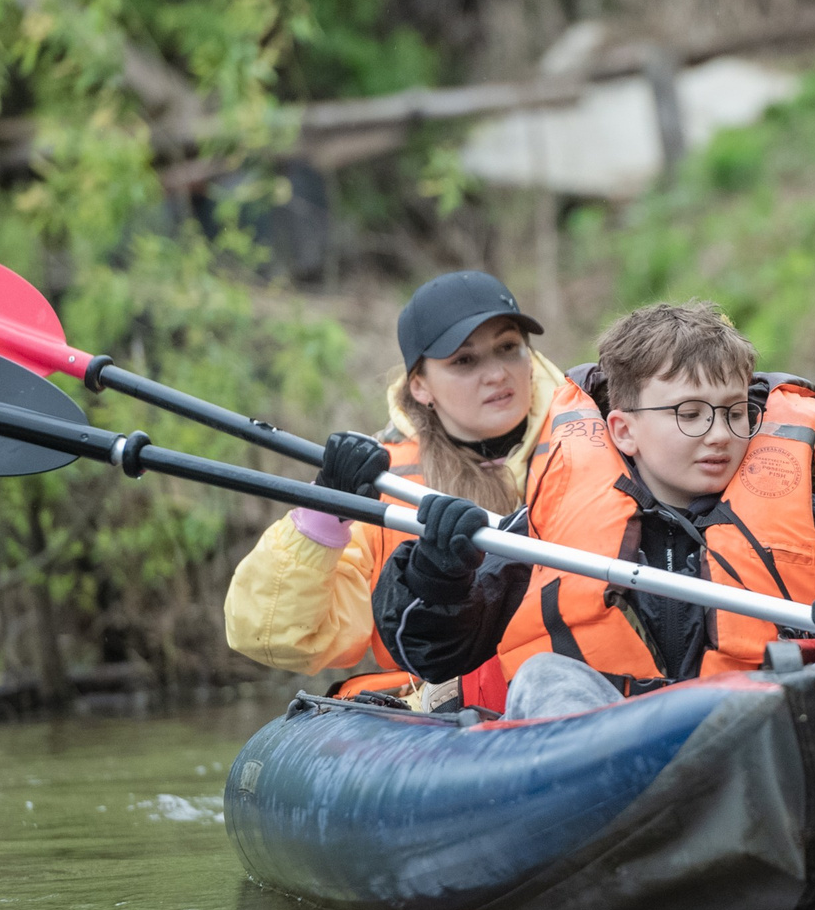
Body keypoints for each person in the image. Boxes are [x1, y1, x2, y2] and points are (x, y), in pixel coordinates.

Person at [371, 299, 815, 718]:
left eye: (735, 412)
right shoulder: (539, 534)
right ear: (624, 430)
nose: (719, 435)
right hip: (603, 763)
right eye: (689, 414)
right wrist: (438, 573)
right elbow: (431, 651)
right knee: (543, 676)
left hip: (761, 746)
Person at [222, 270, 561, 695]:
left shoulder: (592, 442)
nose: (496, 374)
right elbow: (275, 635)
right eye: (464, 360)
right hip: (444, 699)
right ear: (420, 386)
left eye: (508, 348)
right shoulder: (384, 484)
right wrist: (324, 510)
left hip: (574, 680)